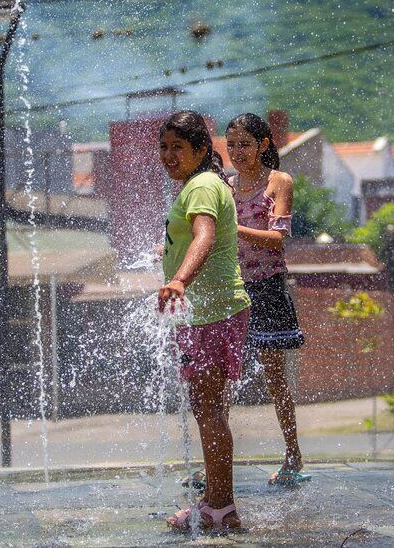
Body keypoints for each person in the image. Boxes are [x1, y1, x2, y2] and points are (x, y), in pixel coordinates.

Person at [158, 110, 251, 533]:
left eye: (179, 147)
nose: (169, 155)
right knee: (207, 409)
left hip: (213, 312)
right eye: (164, 147)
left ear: (200, 150)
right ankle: (216, 498)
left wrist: (178, 278)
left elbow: (205, 236)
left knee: (210, 410)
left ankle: (220, 507)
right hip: (208, 312)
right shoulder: (203, 184)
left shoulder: (201, 185)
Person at [225, 112, 308, 486]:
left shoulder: (279, 182)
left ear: (262, 145)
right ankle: (216, 464)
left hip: (269, 287)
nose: (237, 152)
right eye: (231, 146)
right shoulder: (224, 186)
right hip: (233, 290)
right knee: (221, 378)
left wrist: (232, 226)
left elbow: (277, 238)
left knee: (275, 377)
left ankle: (293, 455)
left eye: (245, 144)